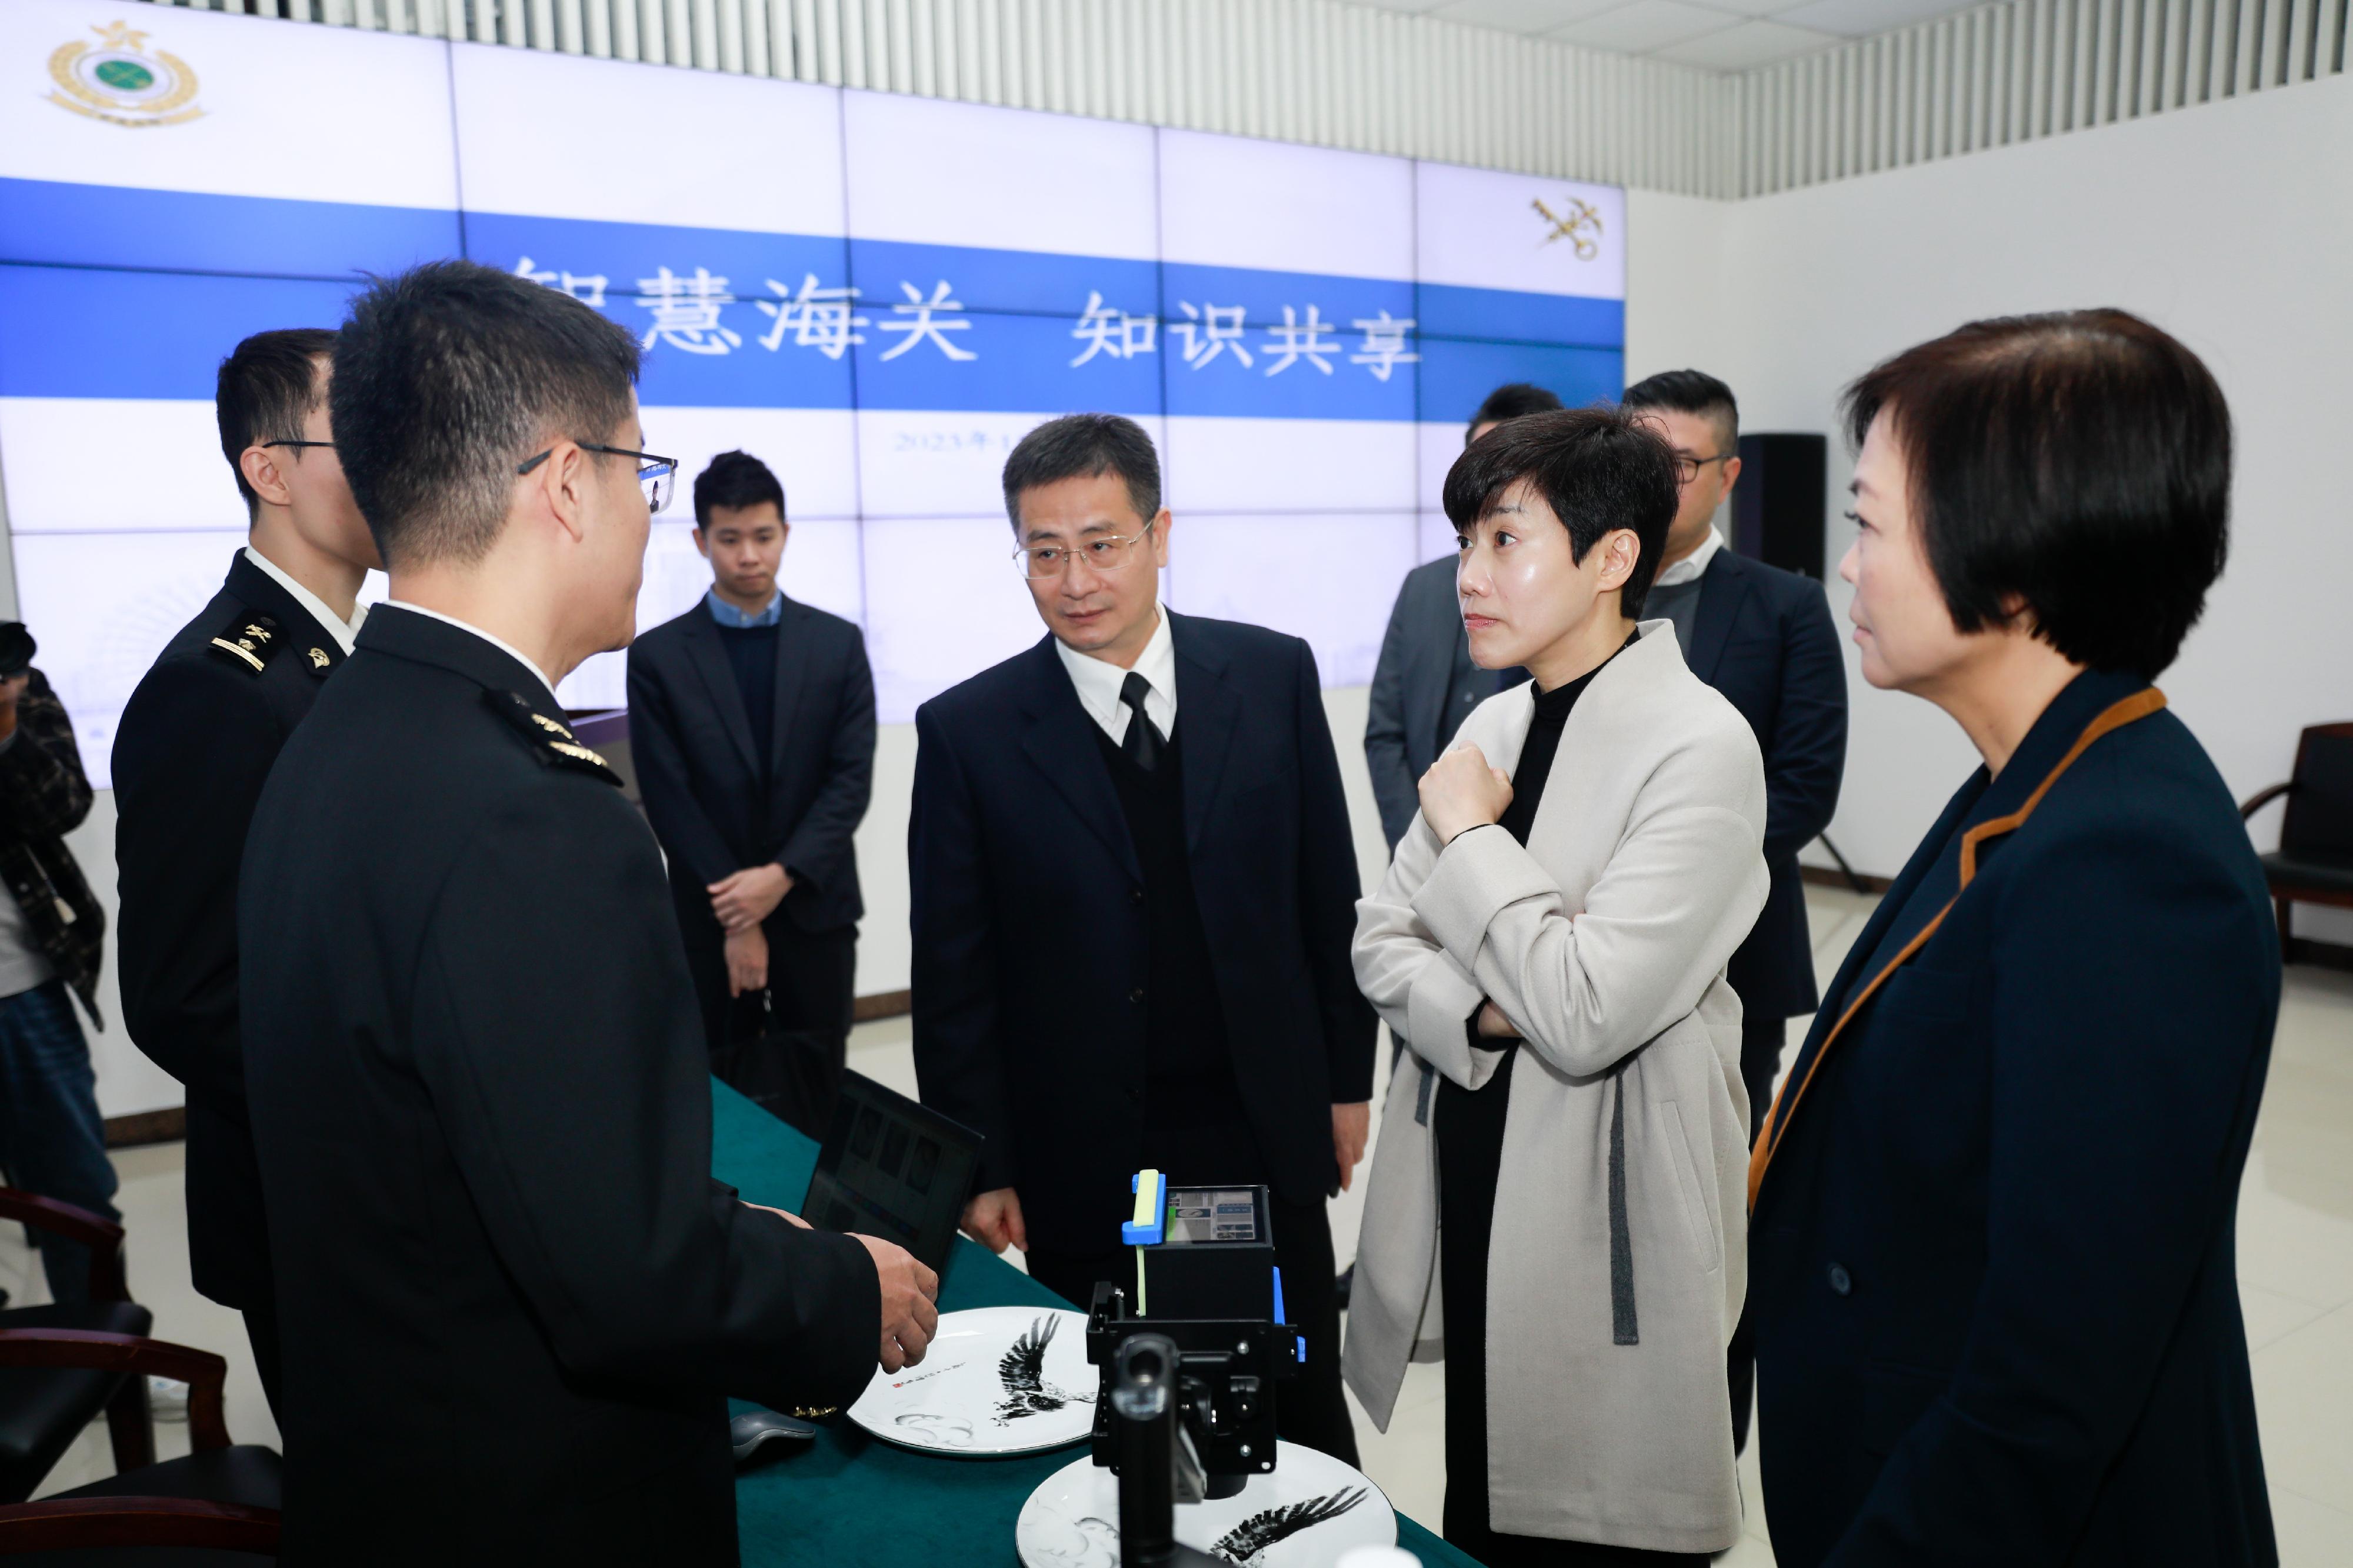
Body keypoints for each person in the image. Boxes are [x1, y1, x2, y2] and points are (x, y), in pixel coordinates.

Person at [238, 261, 934, 1563]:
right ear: (565, 483)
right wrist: (842, 1281)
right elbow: (629, 1280)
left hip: (398, 1462)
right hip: (532, 1499)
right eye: (638, 473)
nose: (645, 510)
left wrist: (716, 1223)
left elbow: (500, 1163)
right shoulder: (531, 813)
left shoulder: (349, 722)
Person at [1747, 311, 2279, 1565]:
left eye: (1870, 522)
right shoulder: (2030, 782)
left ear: (2018, 549)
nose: (1846, 566)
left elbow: (2047, 1379)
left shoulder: (2124, 863)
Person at [909, 413, 1375, 1466]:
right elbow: (954, 974)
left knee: (1292, 1406)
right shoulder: (970, 732)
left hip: (1260, 1121)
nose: (1075, 578)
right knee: (1122, 1428)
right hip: (1087, 1147)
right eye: (1044, 551)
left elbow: (1326, 896)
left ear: (1161, 533)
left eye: (1103, 543)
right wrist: (980, 1162)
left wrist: (1345, 1083)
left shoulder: (1270, 677)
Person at [1347, 406, 1768, 1564]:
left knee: (1600, 1509)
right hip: (1477, 1157)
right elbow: (1381, 940)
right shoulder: (1496, 717)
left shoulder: (1699, 743)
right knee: (1489, 1486)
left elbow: (1586, 1013)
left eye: (1502, 541)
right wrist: (1492, 1004)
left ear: (1611, 557)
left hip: (1609, 1183)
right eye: (1465, 544)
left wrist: (1470, 848)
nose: (1467, 577)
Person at [114, 328, 381, 1414]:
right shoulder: (219, 686)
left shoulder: (347, 652)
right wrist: (394, 1096)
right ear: (267, 471)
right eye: (356, 434)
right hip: (314, 1200)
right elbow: (181, 998)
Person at [1619, 368, 1847, 1453]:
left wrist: (1663, 875)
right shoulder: (1588, 582)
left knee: (1718, 1208)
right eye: (1634, 456)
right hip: (1581, 961)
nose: (1652, 484)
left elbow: (1803, 786)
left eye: (1675, 464)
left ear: (1726, 474)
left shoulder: (1786, 607)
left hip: (1734, 961)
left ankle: (1712, 1429)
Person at [628, 449, 876, 1137]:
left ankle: (827, 1237)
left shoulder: (836, 644)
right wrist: (741, 915)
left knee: (819, 1087)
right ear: (701, 540)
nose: (748, 555)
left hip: (816, 914)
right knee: (720, 1099)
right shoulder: (658, 657)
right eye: (730, 538)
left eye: (763, 536)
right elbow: (668, 797)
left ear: (785, 534)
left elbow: (849, 780)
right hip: (709, 922)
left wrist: (780, 877)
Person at [1364, 382, 1559, 850]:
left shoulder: (1576, 594)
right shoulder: (1425, 586)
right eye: (1477, 465)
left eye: (1508, 468)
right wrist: (1422, 844)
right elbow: (1386, 735)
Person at [0, 623, 116, 1303]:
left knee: (74, 1188)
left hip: (20, 985)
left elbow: (64, 804)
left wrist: (7, 724)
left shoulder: (19, 680)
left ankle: (100, 1359)